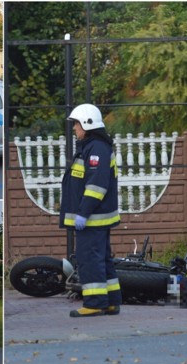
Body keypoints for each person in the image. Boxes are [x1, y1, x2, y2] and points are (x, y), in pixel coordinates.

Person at [59, 103, 121, 318]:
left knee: (89, 260)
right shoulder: (92, 147)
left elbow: (96, 185)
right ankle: (111, 302)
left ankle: (95, 303)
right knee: (102, 260)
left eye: (76, 124)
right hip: (94, 218)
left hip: (93, 219)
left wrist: (83, 213)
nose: (75, 128)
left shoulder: (96, 149)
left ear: (87, 124)